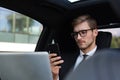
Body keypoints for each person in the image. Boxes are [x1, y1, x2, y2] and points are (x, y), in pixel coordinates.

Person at [49, 14, 98, 80]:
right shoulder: (64, 60)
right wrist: (54, 76)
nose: (78, 37)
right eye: (75, 34)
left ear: (95, 32)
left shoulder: (106, 61)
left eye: (83, 32)